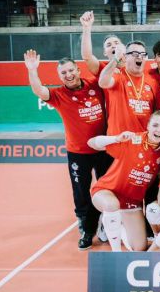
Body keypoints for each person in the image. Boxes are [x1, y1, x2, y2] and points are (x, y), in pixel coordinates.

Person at [24, 50, 111, 250]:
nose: (68, 75)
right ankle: (86, 226)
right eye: (63, 73)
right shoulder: (58, 95)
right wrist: (32, 70)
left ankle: (106, 221)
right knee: (81, 192)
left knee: (106, 188)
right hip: (78, 153)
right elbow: (39, 90)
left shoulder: (94, 85)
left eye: (71, 70)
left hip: (103, 149)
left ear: (78, 70)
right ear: (59, 76)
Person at [89, 111, 160, 251]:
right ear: (148, 125)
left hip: (132, 202)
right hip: (107, 191)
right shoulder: (133, 140)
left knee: (140, 248)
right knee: (111, 205)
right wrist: (116, 138)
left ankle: (114, 221)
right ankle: (116, 251)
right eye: (155, 125)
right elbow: (92, 143)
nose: (159, 130)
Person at [99, 40, 158, 137]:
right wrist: (116, 58)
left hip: (143, 142)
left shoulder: (152, 81)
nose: (139, 56)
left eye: (143, 54)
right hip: (119, 143)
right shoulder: (118, 74)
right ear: (125, 56)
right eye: (135, 54)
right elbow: (103, 82)